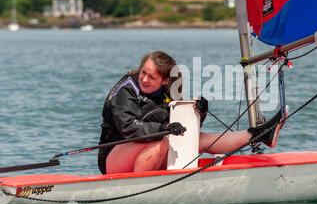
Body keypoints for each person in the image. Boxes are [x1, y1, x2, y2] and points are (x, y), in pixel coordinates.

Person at [98, 51, 285, 174]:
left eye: (151, 77)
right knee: (163, 142)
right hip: (112, 157)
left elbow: (179, 127)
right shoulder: (127, 89)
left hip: (148, 152)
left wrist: (199, 113)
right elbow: (128, 127)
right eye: (143, 73)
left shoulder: (168, 92)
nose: (144, 79)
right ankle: (139, 192)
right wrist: (165, 128)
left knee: (194, 138)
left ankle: (259, 134)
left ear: (164, 80)